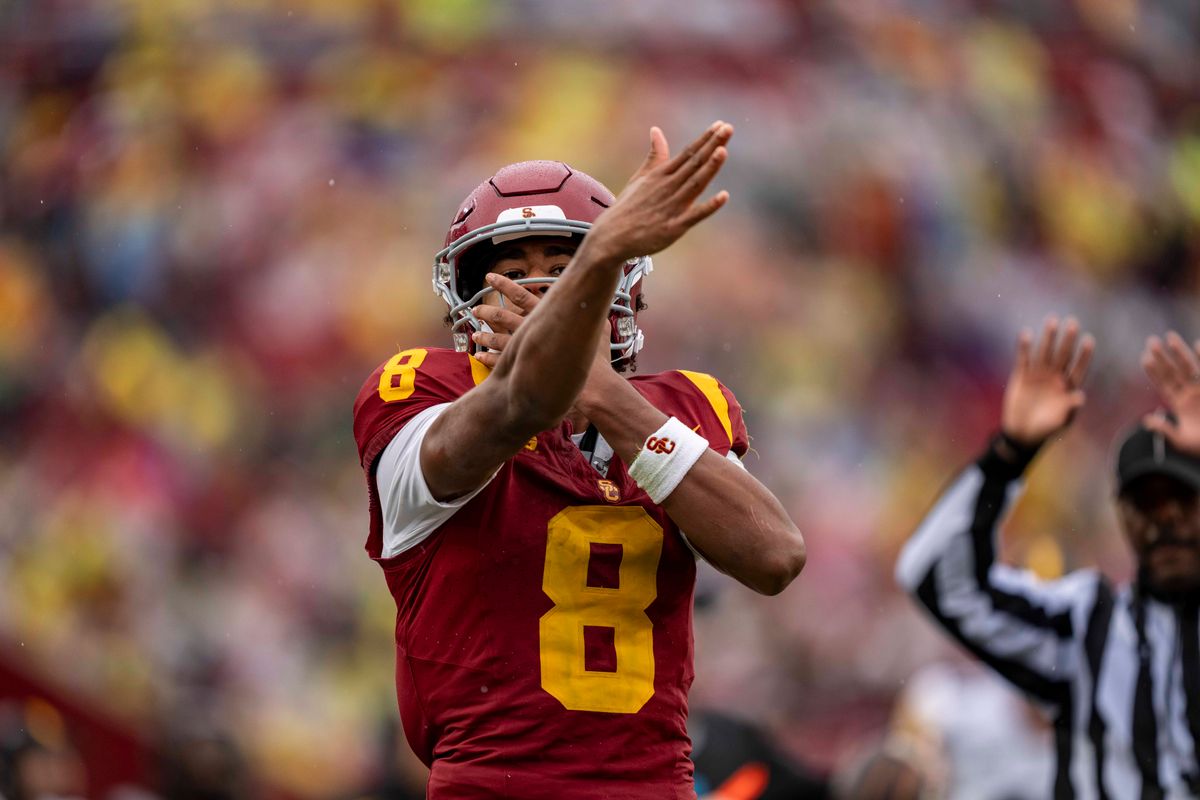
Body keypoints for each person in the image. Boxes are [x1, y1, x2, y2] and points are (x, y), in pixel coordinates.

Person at [351, 122, 806, 799]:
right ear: (467, 296)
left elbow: (774, 555)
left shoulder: (680, 405)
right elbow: (519, 404)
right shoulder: (426, 391)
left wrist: (605, 396)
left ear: (626, 289)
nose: (540, 292)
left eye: (565, 269)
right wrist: (599, 262)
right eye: (514, 273)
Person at [896, 317, 1200, 798]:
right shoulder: (1089, 630)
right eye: (1146, 503)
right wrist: (1009, 455)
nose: (1164, 520)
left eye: (1183, 499)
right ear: (1122, 515)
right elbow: (932, 575)